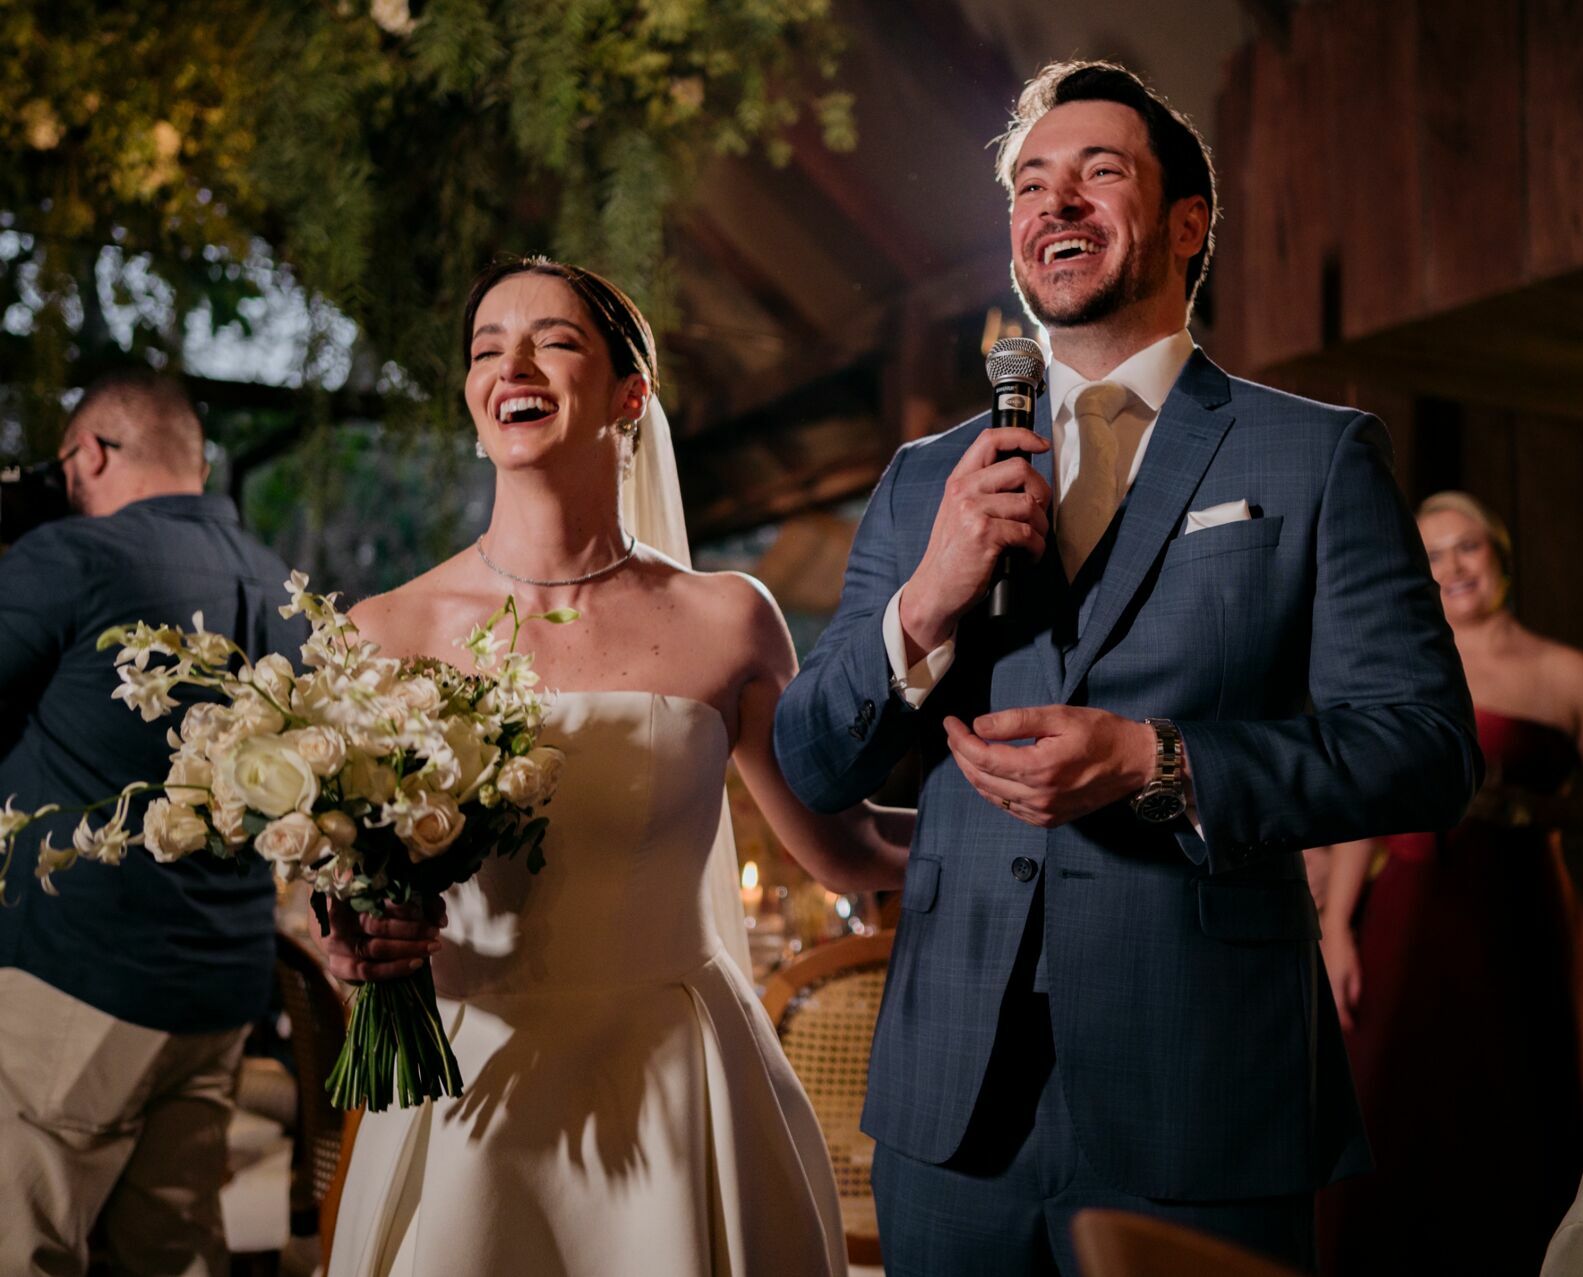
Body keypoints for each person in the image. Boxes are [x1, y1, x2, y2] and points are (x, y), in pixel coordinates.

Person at [773, 61, 1480, 1275]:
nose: (1060, 204)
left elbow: (1425, 747)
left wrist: (1164, 763)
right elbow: (812, 758)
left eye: (1101, 174)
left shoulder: (1315, 457)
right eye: (1033, 186)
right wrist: (933, 588)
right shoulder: (921, 480)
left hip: (1203, 1086)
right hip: (956, 1106)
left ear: (1188, 223)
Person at [318, 258, 912, 1277]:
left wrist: (999, 817)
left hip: (681, 1085)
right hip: (472, 1090)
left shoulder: (729, 618)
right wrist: (359, 940)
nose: (512, 362)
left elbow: (842, 849)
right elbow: (349, 886)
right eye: (485, 347)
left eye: (552, 339)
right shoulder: (384, 631)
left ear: (630, 394)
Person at [0, 370, 306, 1276]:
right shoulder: (276, 580)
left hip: (80, 980)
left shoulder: (74, 557)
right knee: (170, 1252)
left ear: (88, 454)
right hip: (219, 984)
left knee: (24, 1245)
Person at [1315, 490, 1583, 1277]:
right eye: (1431, 556)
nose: (1452, 567)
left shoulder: (1567, 673)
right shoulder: (1401, 665)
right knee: (1391, 1113)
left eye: (1465, 546)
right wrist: (1335, 927)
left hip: (1518, 916)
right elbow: (1365, 800)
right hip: (1403, 918)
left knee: (1523, 1114)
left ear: (1499, 554)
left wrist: (1529, 807)